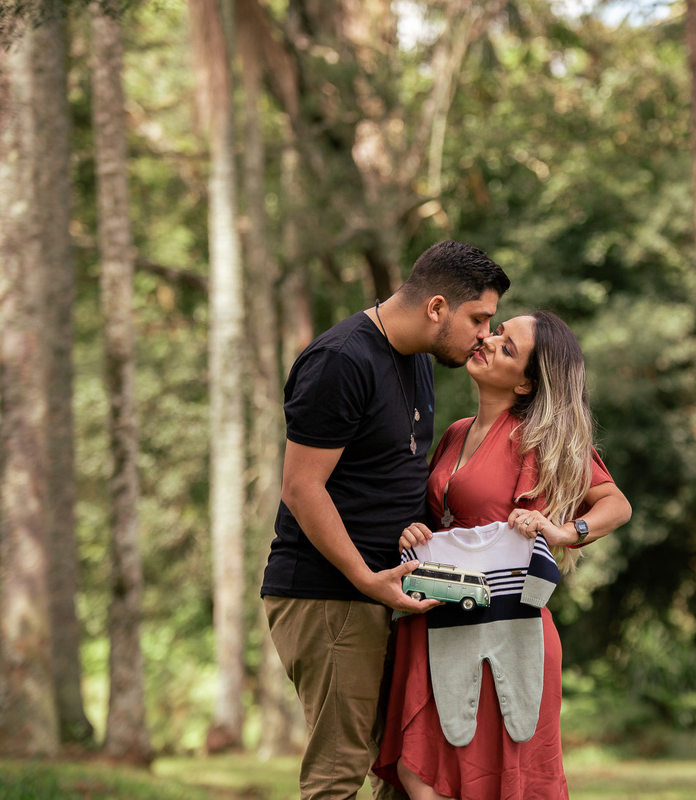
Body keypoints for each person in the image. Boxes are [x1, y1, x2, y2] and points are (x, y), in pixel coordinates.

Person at [261, 240, 511, 800]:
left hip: (390, 592)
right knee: (339, 773)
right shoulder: (341, 360)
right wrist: (365, 577)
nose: (485, 335)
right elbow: (301, 488)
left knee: (406, 768)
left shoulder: (416, 357)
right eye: (478, 318)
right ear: (436, 307)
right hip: (332, 596)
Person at [373, 310, 633, 800]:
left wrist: (562, 531)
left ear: (525, 384)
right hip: (436, 619)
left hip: (505, 631)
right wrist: (416, 531)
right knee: (418, 773)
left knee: (488, 781)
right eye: (496, 333)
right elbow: (442, 520)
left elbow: (616, 505)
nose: (488, 342)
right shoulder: (455, 432)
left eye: (506, 347)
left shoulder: (539, 438)